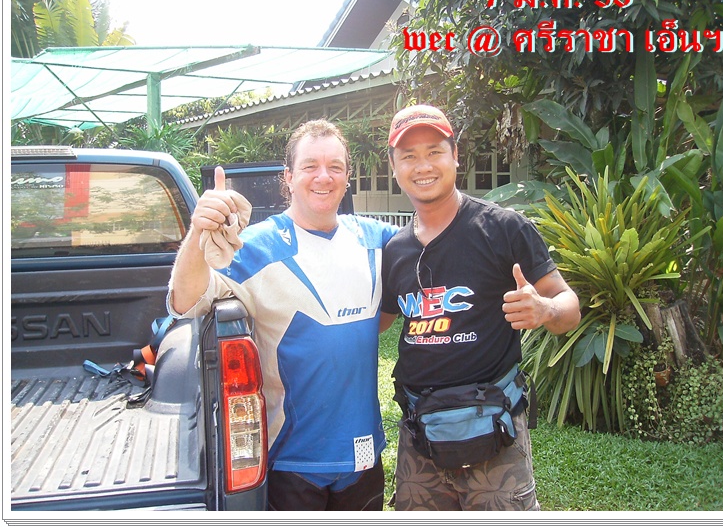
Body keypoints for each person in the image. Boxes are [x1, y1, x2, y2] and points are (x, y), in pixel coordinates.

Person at [168, 119, 397, 511]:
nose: (323, 177)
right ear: (288, 177)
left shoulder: (377, 240)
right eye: (310, 166)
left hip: (363, 456)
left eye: (335, 167)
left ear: (348, 177)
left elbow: (432, 250)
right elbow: (183, 301)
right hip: (291, 462)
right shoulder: (256, 247)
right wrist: (198, 232)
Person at [380, 104, 581, 511]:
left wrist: (545, 310)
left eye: (434, 152)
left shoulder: (503, 228)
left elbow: (569, 307)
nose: (423, 166)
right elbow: (376, 324)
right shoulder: (395, 250)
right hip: (420, 434)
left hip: (494, 428)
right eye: (409, 156)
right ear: (394, 166)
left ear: (456, 155)